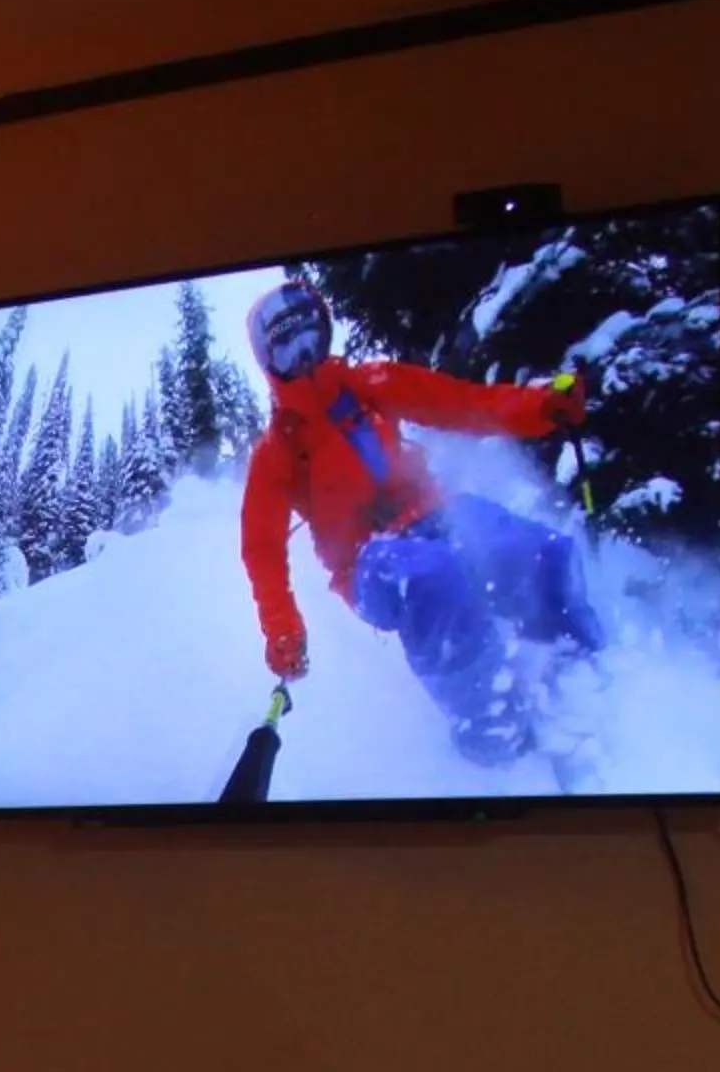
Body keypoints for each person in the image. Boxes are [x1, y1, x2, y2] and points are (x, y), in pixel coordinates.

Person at [240, 278, 604, 765]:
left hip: (434, 514)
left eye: (311, 337)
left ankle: (576, 662)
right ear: (270, 364)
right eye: (288, 348)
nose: (305, 356)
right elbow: (261, 547)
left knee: (528, 546)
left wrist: (540, 407)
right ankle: (489, 726)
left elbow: (459, 402)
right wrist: (282, 628)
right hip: (367, 562)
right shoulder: (277, 450)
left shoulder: (368, 384)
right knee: (432, 576)